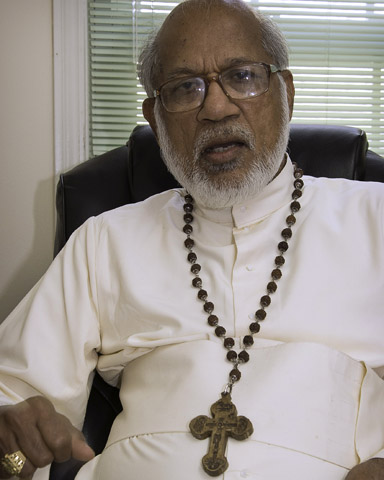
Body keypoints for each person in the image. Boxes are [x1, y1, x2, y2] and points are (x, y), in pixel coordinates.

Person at [1, 0, 384, 479]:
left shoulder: (376, 220)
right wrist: (12, 439)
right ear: (156, 118)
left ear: (285, 91)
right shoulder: (105, 240)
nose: (216, 107)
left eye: (243, 76)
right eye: (185, 88)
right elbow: (14, 398)